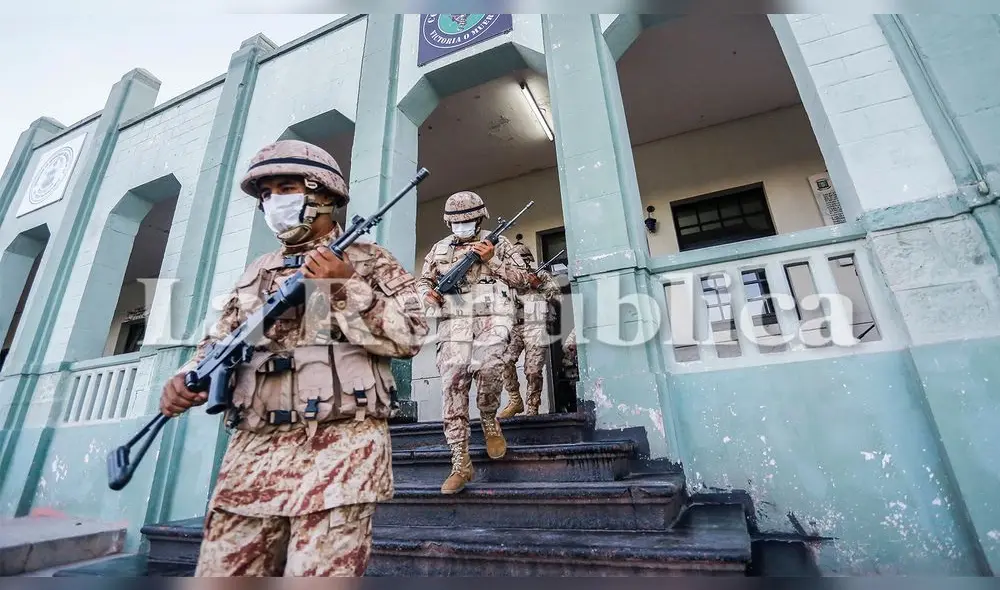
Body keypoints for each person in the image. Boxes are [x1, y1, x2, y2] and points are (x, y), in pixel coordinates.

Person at [158, 140, 429, 577]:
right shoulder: (257, 271)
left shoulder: (370, 261)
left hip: (340, 450)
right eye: (266, 194)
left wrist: (344, 285)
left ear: (323, 195)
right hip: (253, 453)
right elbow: (220, 339)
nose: (273, 202)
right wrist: (189, 376)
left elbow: (411, 335)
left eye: (285, 188)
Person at [417, 192, 541, 494]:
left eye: (468, 220)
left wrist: (492, 260)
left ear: (480, 218)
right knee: (452, 385)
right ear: (448, 222)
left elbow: (526, 279)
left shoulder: (500, 243)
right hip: (453, 324)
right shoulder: (438, 249)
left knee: (489, 372)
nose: (462, 226)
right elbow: (423, 281)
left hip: (492, 320)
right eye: (456, 222)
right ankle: (460, 461)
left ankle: (488, 419)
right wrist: (426, 295)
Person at [497, 237, 561, 418]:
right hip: (514, 327)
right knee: (503, 361)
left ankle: (532, 405)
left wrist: (538, 285)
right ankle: (515, 400)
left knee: (533, 370)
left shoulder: (541, 275)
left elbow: (558, 297)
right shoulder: (506, 280)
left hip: (536, 326)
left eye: (521, 260)